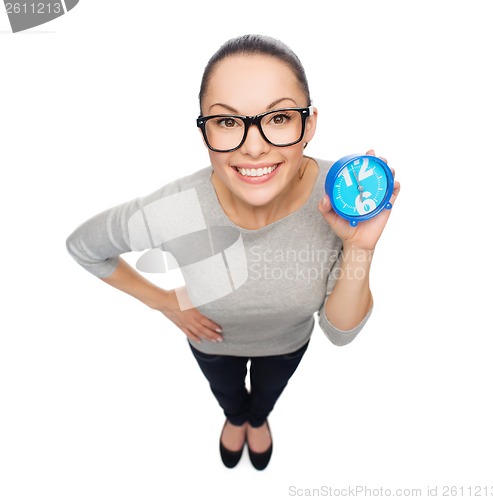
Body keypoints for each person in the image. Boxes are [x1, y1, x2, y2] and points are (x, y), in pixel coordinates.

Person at [65, 34, 400, 471]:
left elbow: (340, 333)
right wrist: (165, 302)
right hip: (211, 344)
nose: (254, 146)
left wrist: (358, 246)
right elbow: (85, 248)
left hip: (287, 346)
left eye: (279, 117)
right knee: (226, 393)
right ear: (204, 129)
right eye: (227, 122)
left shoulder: (341, 198)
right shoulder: (175, 208)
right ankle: (233, 416)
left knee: (266, 396)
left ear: (310, 124)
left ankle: (256, 419)